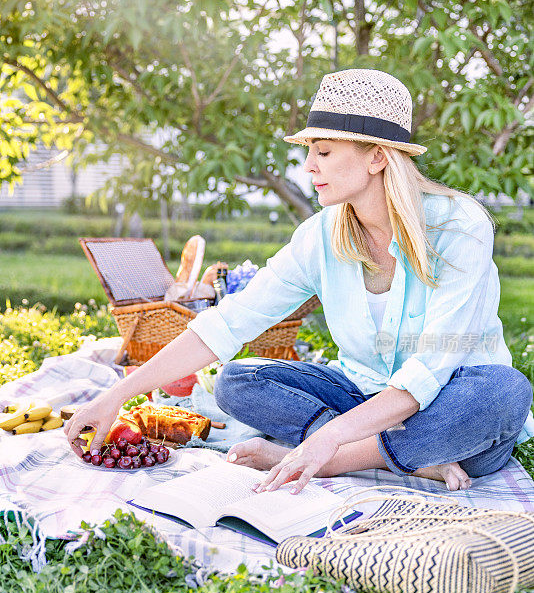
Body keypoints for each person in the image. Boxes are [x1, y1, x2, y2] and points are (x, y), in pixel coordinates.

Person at [65, 69, 534, 494]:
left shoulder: (459, 227)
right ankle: (402, 460)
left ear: (376, 158)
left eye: (324, 152)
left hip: (454, 405)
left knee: (505, 393)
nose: (308, 166)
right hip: (363, 396)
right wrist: (115, 395)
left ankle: (338, 460)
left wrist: (327, 440)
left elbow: (429, 373)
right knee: (236, 381)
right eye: (309, 152)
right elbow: (229, 323)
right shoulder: (320, 236)